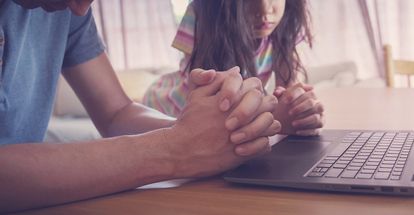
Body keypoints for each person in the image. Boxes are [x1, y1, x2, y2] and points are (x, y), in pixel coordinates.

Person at [0, 0, 281, 212]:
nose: (82, 8)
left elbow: (116, 113)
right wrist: (174, 150)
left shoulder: (66, 12)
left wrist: (208, 131)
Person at [143, 0, 325, 136]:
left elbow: (288, 91)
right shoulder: (201, 12)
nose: (264, 10)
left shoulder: (283, 25)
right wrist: (275, 118)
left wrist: (300, 109)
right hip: (170, 105)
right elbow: (211, 106)